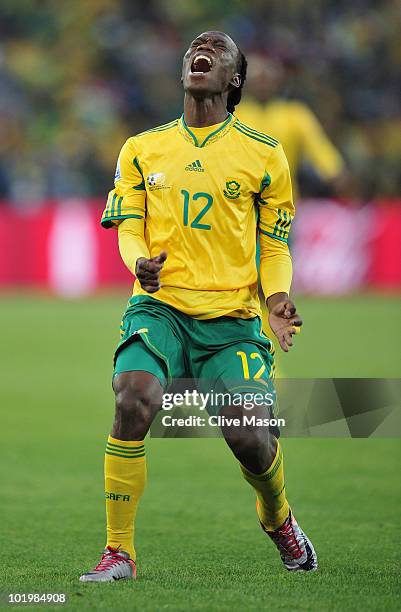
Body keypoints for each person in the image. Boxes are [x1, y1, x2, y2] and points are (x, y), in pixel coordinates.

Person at [80, 31, 317, 582]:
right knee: (133, 396)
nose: (201, 50)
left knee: (252, 439)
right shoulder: (142, 148)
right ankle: (119, 553)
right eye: (193, 47)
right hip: (159, 308)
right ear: (185, 68)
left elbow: (275, 245)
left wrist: (277, 296)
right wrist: (138, 262)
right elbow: (128, 227)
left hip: (232, 321)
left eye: (217, 47)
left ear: (233, 78)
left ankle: (278, 517)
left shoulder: (264, 153)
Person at [237, 55, 346, 199]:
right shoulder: (234, 114)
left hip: (282, 202)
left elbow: (319, 147)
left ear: (278, 82)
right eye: (258, 79)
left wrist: (335, 173)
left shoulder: (295, 114)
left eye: (268, 78)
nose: (263, 84)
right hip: (240, 202)